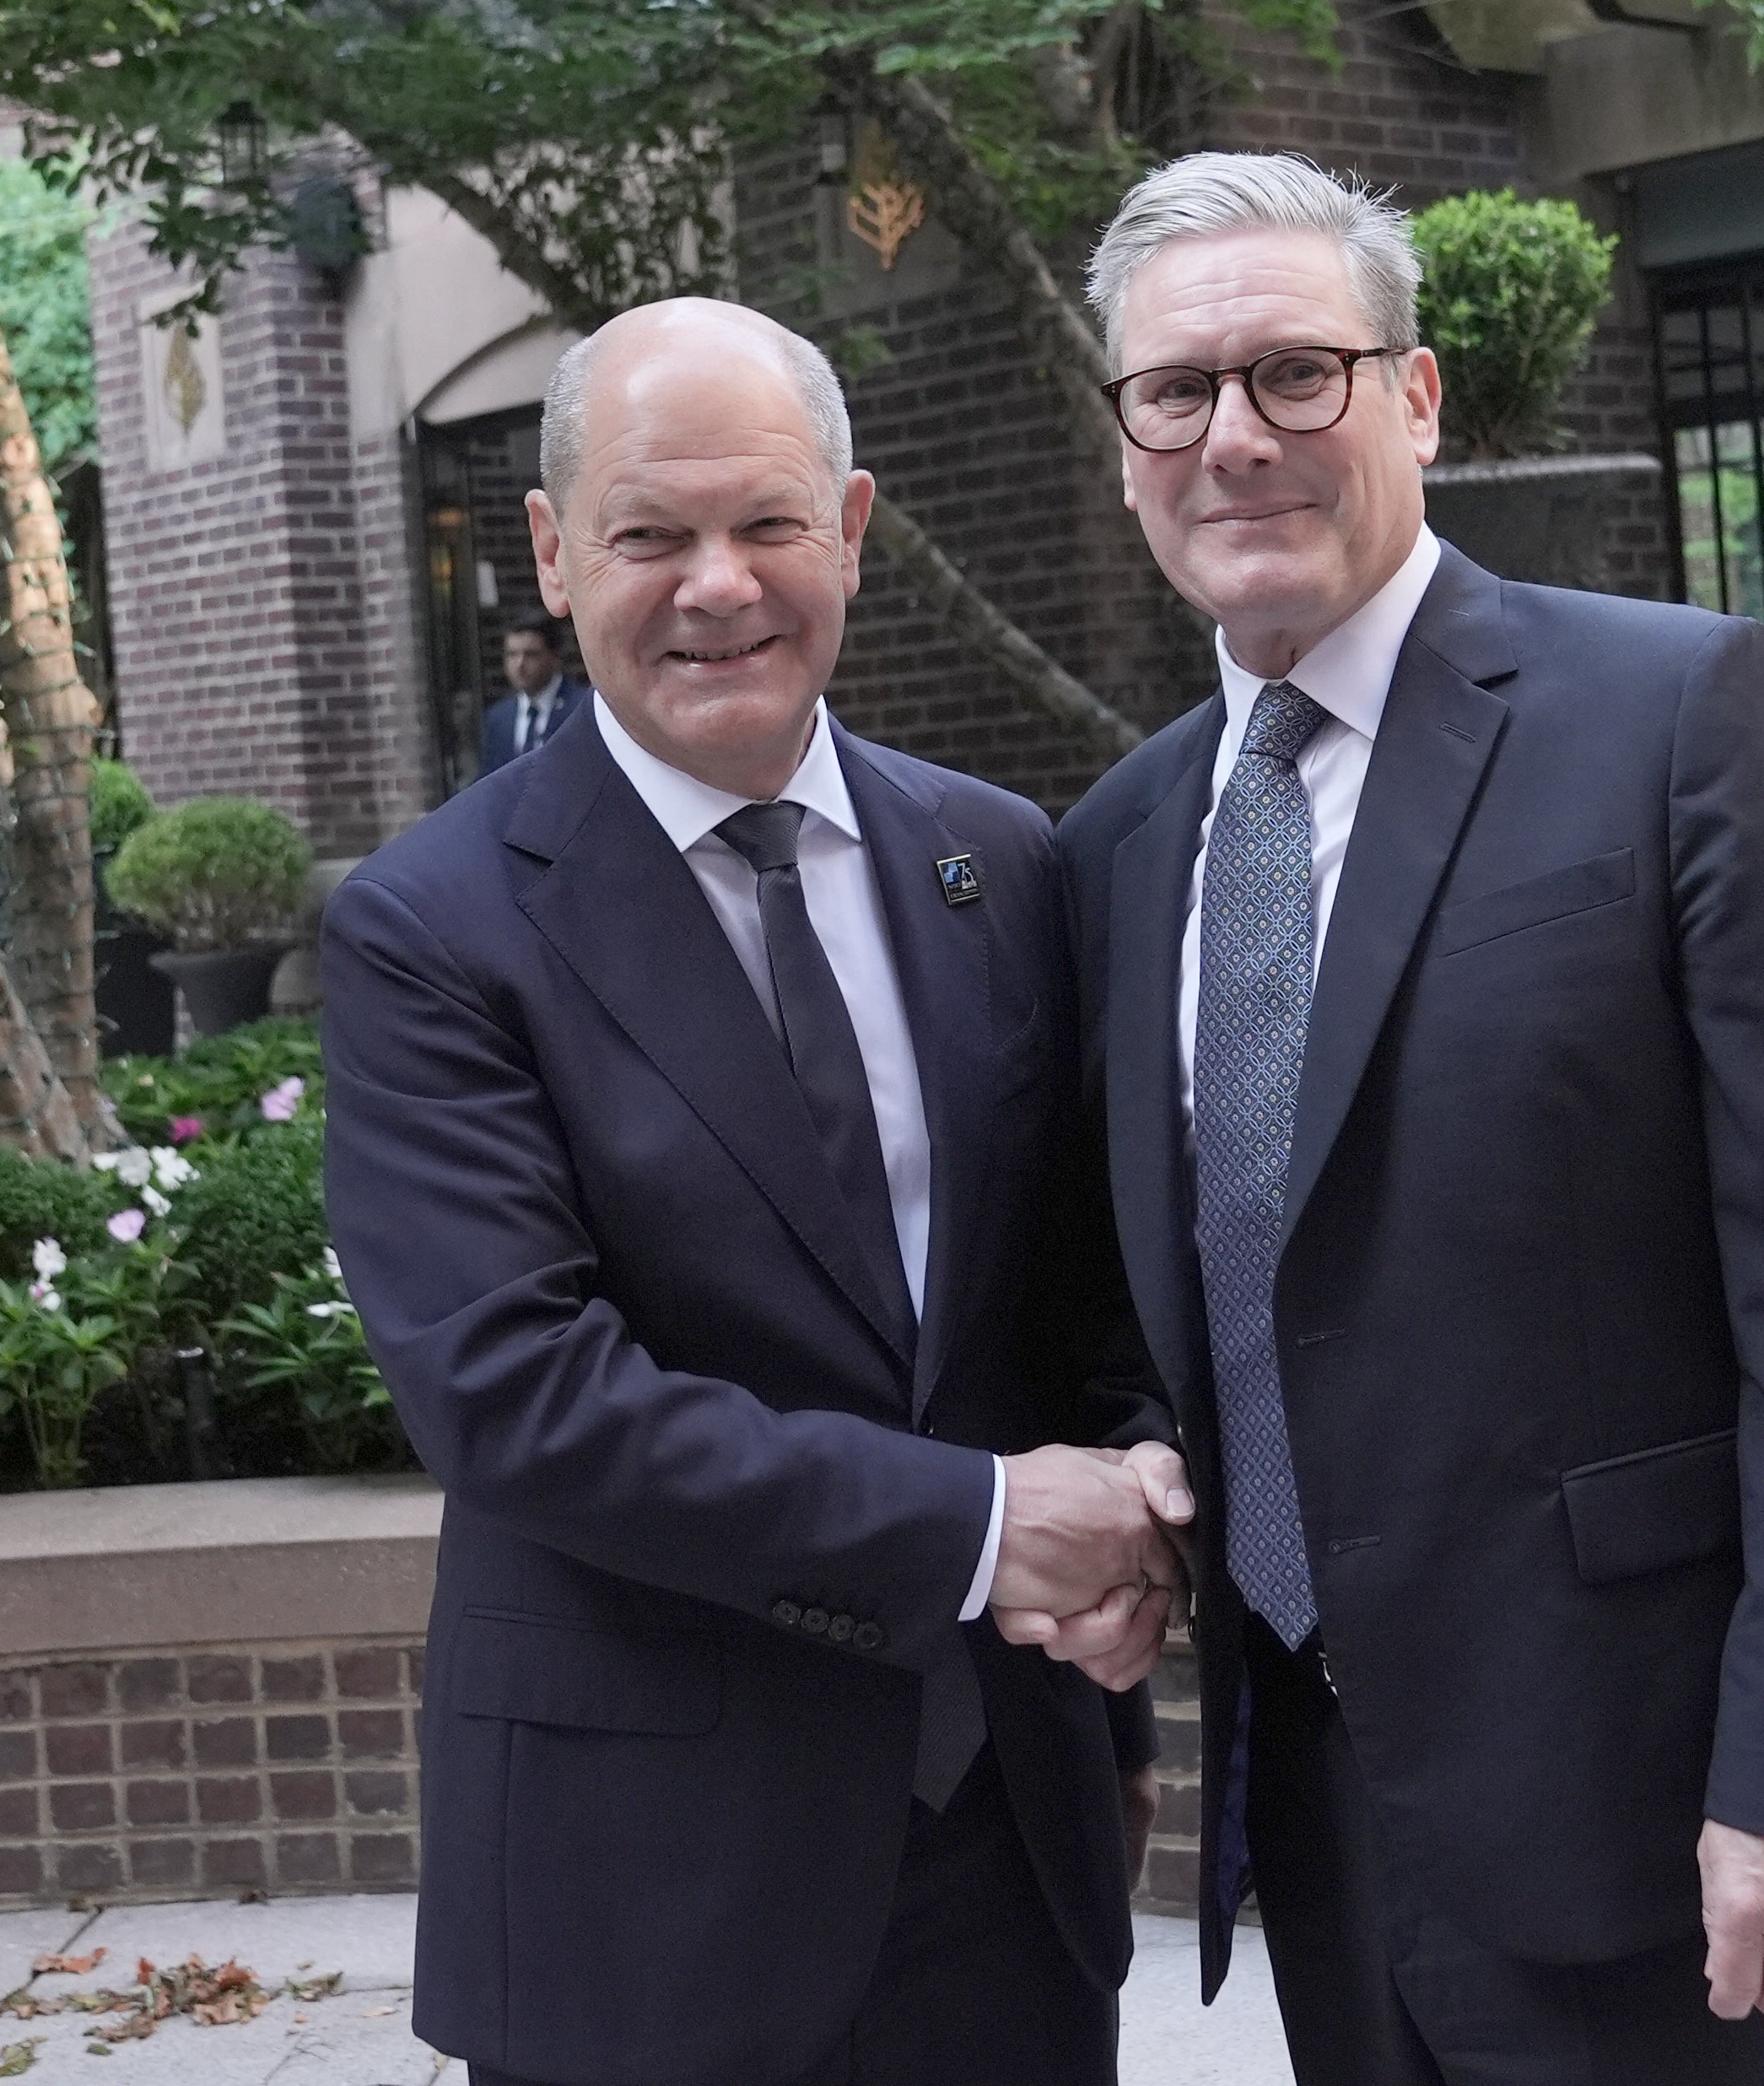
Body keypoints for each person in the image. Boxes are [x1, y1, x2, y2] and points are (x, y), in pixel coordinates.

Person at [1044, 154, 1764, 2085]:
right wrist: (1140, 1457)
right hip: (1316, 1810)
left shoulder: (1678, 716)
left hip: (1665, 1815)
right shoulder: (1121, 846)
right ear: (1127, 435)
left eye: (1297, 371)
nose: (1237, 436)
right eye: (1177, 393)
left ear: (1419, 396)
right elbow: (1198, 1286)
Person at [319, 298, 1189, 2086]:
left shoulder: (996, 860)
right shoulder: (430, 928)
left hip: (1004, 1853)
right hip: (649, 1884)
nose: (718, 584)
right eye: (650, 535)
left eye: (766, 525)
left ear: (851, 532)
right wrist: (979, 1526)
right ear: (555, 556)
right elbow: (518, 1397)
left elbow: (1082, 1290)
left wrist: (1139, 1496)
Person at [479, 609, 587, 772]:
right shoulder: (499, 718)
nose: (519, 665)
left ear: (554, 657)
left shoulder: (582, 708)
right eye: (512, 655)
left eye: (531, 655)